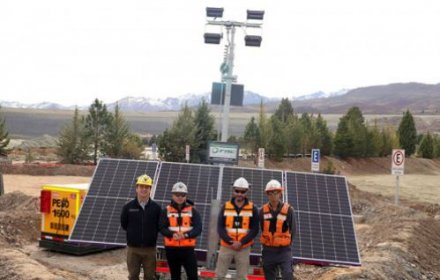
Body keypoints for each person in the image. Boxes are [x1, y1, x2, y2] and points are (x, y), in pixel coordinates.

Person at [215, 177, 259, 280]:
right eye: (237, 191)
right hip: (226, 246)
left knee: (242, 277)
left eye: (242, 191)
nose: (239, 194)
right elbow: (220, 227)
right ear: (233, 190)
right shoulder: (225, 206)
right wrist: (231, 242)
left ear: (247, 192)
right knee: (219, 275)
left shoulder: (253, 208)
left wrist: (241, 242)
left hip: (244, 248)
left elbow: (255, 229)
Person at [121, 174, 162, 280]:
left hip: (150, 250)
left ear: (150, 189)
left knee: (149, 277)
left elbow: (159, 226)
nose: (144, 189)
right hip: (133, 249)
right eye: (141, 186)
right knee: (133, 276)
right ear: (136, 188)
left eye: (147, 187)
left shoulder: (156, 208)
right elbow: (124, 224)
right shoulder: (128, 206)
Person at [159, 182, 202, 280]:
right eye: (177, 194)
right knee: (175, 276)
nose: (180, 197)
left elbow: (198, 228)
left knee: (193, 276)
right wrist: (172, 234)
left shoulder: (193, 211)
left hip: (188, 250)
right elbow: (161, 227)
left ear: (186, 196)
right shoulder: (166, 211)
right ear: (172, 195)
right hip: (171, 249)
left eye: (182, 195)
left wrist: (186, 235)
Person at [259, 179, 296, 280]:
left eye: (276, 193)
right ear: (267, 194)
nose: (273, 196)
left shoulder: (289, 210)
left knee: (288, 275)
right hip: (268, 250)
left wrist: (285, 243)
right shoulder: (262, 211)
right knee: (269, 276)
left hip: (284, 250)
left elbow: (293, 230)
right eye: (270, 193)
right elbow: (262, 229)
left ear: (280, 193)